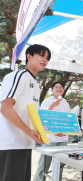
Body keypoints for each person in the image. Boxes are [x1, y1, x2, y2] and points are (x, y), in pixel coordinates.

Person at [0, 44, 51, 181]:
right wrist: (29, 131)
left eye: (47, 58)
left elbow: (30, 115)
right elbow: (5, 108)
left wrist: (42, 130)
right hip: (12, 144)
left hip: (24, 144)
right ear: (29, 56)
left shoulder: (34, 83)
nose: (45, 60)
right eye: (41, 55)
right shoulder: (19, 75)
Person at [34, 81, 70, 181]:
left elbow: (67, 120)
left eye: (61, 87)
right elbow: (43, 117)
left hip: (63, 138)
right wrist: (53, 105)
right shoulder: (47, 101)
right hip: (50, 138)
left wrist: (65, 131)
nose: (59, 88)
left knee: (59, 166)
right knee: (44, 164)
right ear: (52, 90)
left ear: (63, 90)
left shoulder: (66, 103)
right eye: (56, 87)